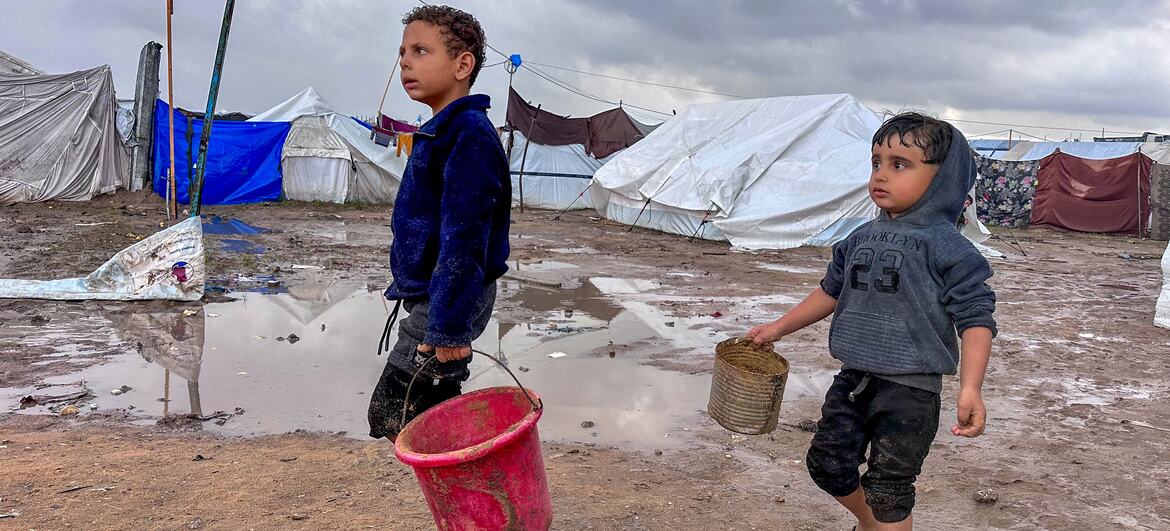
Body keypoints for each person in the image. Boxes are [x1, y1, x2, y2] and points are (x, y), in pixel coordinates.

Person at [747, 113, 996, 530]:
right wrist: (778, 328)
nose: (881, 174)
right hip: (854, 379)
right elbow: (830, 291)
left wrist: (971, 388)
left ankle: (881, 522)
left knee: (889, 490)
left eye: (900, 164)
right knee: (827, 465)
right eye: (876, 162)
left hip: (911, 392)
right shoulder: (858, 238)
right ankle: (871, 525)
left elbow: (976, 320)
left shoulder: (951, 249)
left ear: (944, 178)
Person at [367, 5, 510, 441]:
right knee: (423, 416)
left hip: (449, 299)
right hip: (436, 296)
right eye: (403, 51)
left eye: (421, 50)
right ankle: (469, 493)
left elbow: (465, 240)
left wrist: (448, 327)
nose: (405, 62)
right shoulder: (439, 131)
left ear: (462, 64)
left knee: (396, 414)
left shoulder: (469, 135)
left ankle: (480, 488)